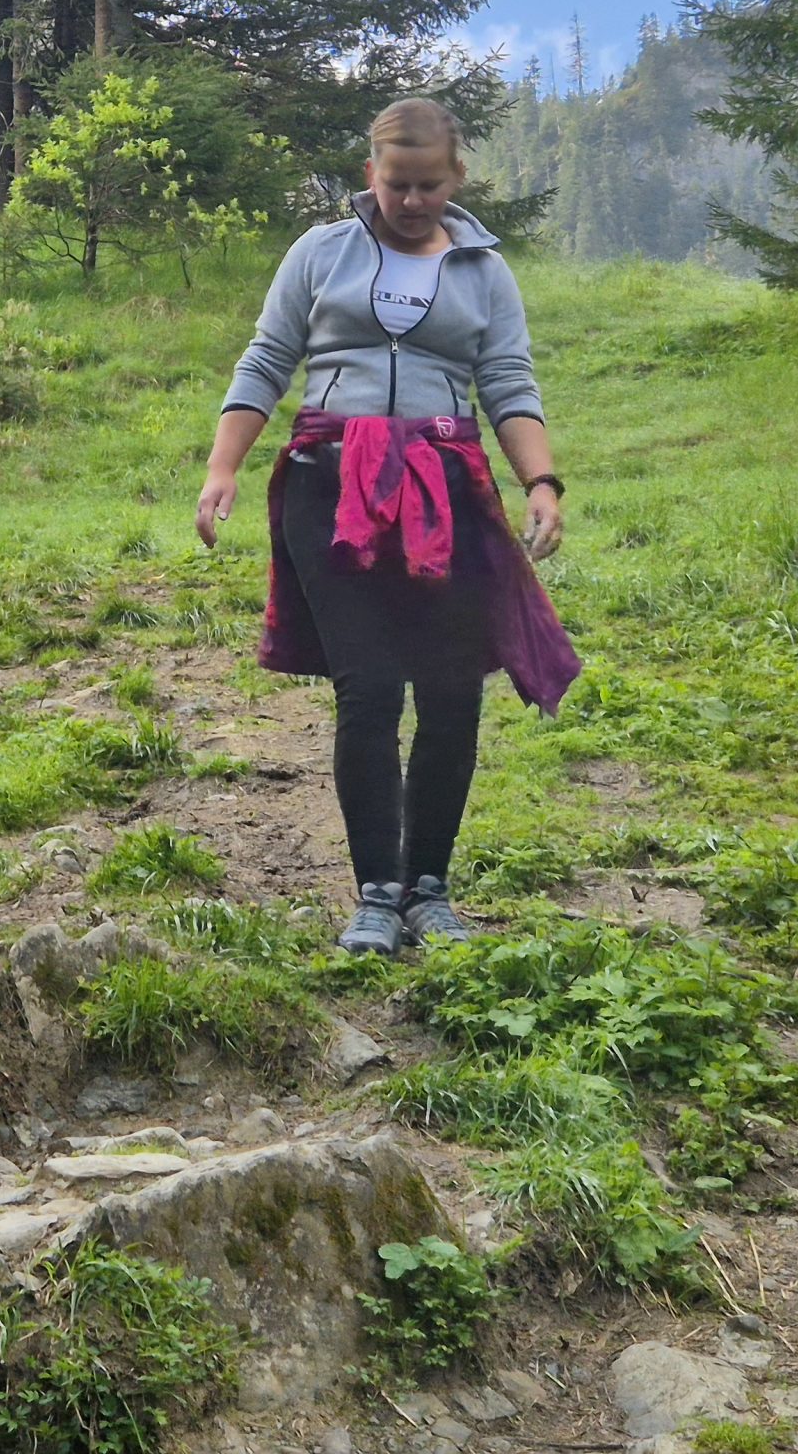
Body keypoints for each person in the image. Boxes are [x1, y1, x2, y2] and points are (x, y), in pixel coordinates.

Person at [194, 98, 580, 955]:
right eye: (396, 183)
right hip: (329, 487)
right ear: (370, 174)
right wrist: (223, 467)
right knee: (367, 688)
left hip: (446, 490)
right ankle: (375, 894)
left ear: (457, 178)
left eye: (428, 186)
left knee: (451, 691)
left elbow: (508, 382)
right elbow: (267, 359)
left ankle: (428, 891)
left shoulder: (485, 271)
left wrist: (541, 482)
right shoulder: (319, 253)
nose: (410, 200)